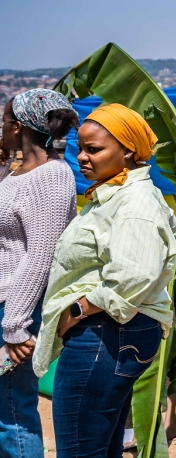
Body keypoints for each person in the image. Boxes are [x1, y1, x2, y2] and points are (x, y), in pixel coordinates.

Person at [34, 103, 176, 458]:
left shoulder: (134, 203)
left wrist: (78, 310)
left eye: (94, 149)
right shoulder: (115, 194)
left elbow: (135, 275)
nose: (82, 157)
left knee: (79, 450)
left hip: (105, 333)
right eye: (81, 148)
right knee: (100, 448)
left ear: (128, 151)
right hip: (111, 333)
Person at [0, 90, 78, 457]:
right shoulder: (17, 171)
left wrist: (16, 324)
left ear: (17, 127)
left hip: (17, 309)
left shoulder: (52, 176)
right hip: (7, 305)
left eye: (3, 123)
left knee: (12, 411)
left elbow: (42, 255)